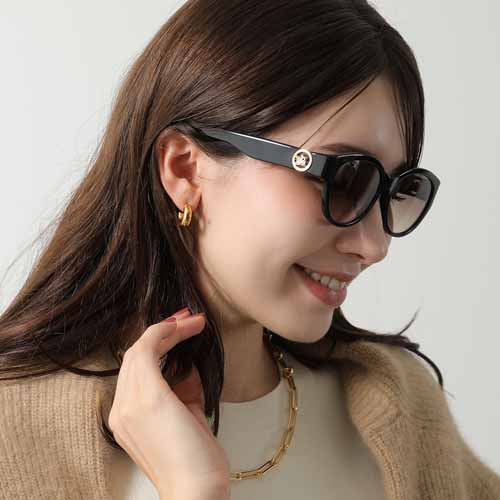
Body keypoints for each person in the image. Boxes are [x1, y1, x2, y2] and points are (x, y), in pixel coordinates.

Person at [1, 0, 499, 499]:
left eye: (395, 191)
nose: (375, 245)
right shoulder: (14, 432)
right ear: (185, 169)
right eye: (344, 179)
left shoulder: (404, 411)